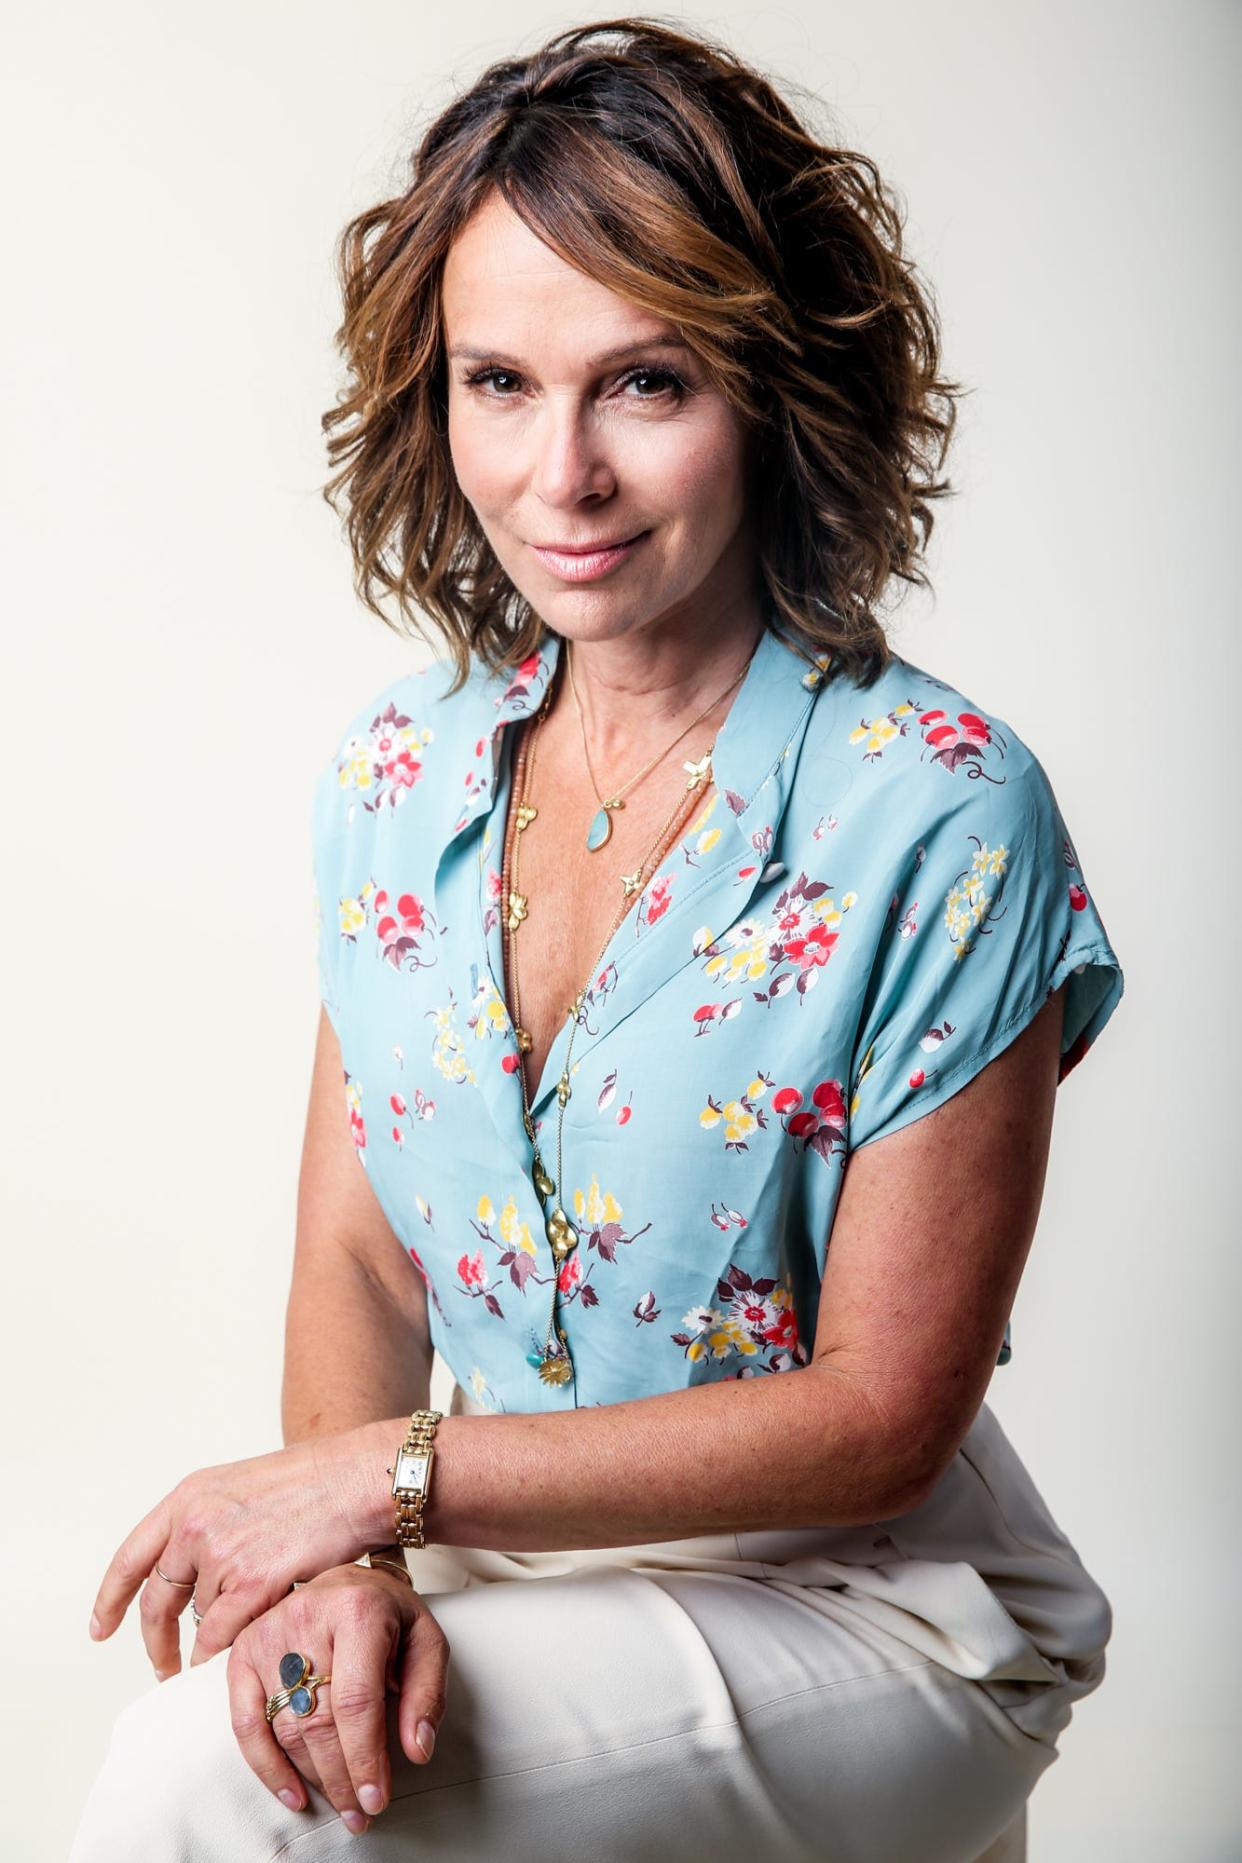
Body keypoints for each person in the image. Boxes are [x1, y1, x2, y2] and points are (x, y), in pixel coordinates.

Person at [70, 17, 1125, 1861]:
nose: (558, 473)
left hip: (869, 1607)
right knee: (280, 1718)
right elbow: (366, 1257)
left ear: (777, 392)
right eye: (498, 382)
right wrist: (350, 1560)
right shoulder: (397, 770)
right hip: (504, 1561)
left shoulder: (942, 808)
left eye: (644, 382)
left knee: (194, 1788)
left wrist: (370, 1486)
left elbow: (884, 1411)